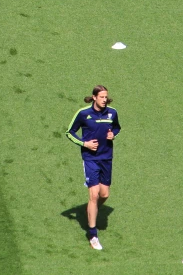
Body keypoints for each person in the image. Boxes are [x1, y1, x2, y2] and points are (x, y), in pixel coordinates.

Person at [66, 85, 121, 250]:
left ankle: (90, 210)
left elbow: (117, 127)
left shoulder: (112, 113)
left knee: (104, 194)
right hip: (90, 159)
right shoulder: (83, 114)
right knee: (94, 194)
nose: (105, 100)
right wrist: (85, 143)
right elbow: (70, 132)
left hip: (106, 158)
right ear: (94, 97)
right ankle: (93, 234)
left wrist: (113, 134)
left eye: (106, 97)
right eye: (102, 97)